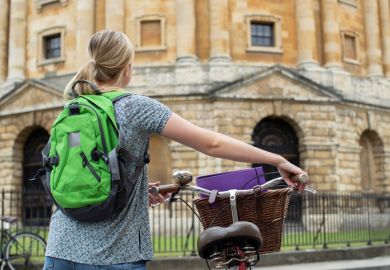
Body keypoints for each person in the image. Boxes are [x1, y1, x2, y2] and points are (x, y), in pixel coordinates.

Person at [43, 29, 307, 270]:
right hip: (112, 254)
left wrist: (135, 193)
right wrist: (276, 159)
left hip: (59, 248)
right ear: (127, 68)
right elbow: (210, 144)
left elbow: (75, 172)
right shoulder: (136, 106)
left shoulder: (72, 108)